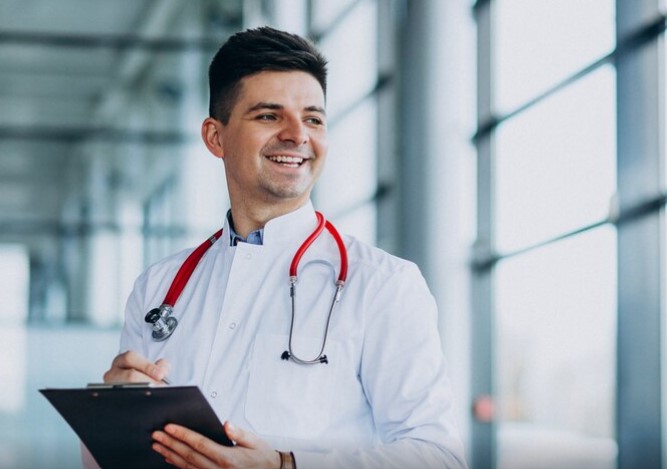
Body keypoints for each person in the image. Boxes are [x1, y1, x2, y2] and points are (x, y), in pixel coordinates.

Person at [90, 26, 467, 469]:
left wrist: (286, 465)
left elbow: (438, 457)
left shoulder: (384, 285)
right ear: (216, 137)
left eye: (313, 118)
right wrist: (113, 416)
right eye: (269, 116)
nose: (297, 135)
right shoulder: (159, 287)